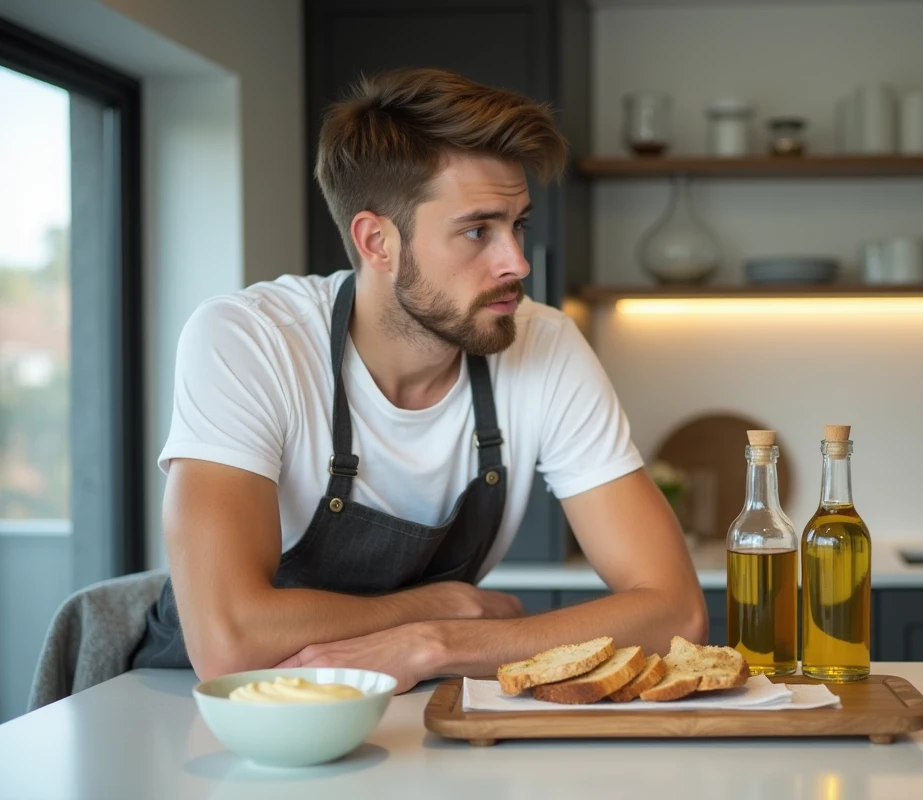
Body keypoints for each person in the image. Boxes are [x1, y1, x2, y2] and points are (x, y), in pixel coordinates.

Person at [131, 67, 706, 690]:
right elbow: (229, 643)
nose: (516, 262)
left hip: (420, 700)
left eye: (518, 225)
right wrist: (438, 605)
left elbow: (676, 611)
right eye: (477, 230)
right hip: (204, 709)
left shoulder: (545, 344)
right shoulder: (250, 340)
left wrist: (434, 643)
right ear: (377, 241)